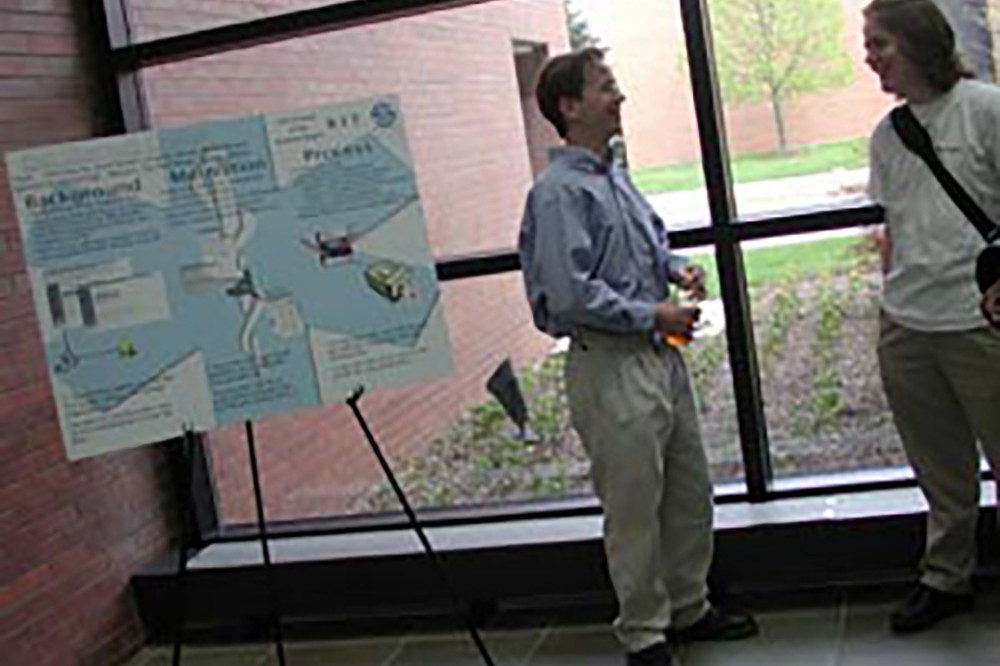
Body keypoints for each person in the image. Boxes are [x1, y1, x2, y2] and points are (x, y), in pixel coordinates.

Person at [518, 48, 757, 666]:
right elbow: (570, 296)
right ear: (570, 107)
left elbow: (641, 251)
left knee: (688, 492)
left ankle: (689, 608)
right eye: (605, 87)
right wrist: (653, 314)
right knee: (633, 509)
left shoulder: (613, 176)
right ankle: (644, 635)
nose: (619, 97)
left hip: (656, 359)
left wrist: (675, 269)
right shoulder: (557, 195)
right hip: (611, 365)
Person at [864, 0, 1000, 635]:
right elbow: (894, 225)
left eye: (880, 43)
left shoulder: (985, 110)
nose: (869, 57)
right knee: (939, 470)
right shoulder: (888, 135)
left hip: (979, 324)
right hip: (908, 327)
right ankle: (947, 577)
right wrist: (891, 296)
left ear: (919, 42)